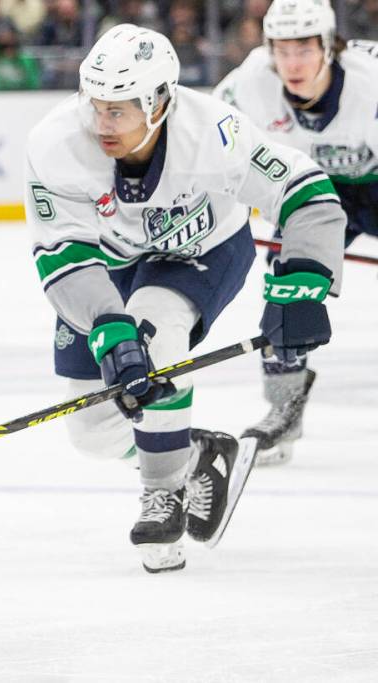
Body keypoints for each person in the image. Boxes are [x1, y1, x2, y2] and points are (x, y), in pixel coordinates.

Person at [24, 24, 344, 572]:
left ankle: (162, 495)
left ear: (158, 102)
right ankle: (196, 456)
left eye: (118, 110)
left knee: (154, 328)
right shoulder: (55, 144)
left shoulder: (213, 133)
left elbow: (304, 190)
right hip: (108, 266)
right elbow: (63, 257)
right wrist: (107, 325)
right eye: (95, 105)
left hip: (202, 251)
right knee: (93, 432)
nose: (102, 123)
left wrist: (304, 281)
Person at [214, 0, 378, 466]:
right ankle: (284, 408)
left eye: (304, 50)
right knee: (287, 283)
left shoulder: (370, 81)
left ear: (328, 47)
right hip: (314, 193)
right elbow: (205, 145)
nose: (292, 64)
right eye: (281, 51)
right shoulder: (247, 84)